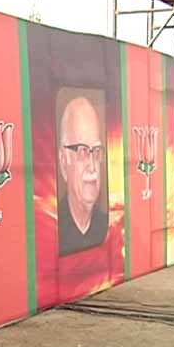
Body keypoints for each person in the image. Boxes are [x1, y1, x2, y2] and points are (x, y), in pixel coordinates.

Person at [57, 96, 108, 255]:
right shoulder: (53, 229)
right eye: (82, 151)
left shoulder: (107, 226)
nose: (93, 166)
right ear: (64, 162)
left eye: (97, 151)